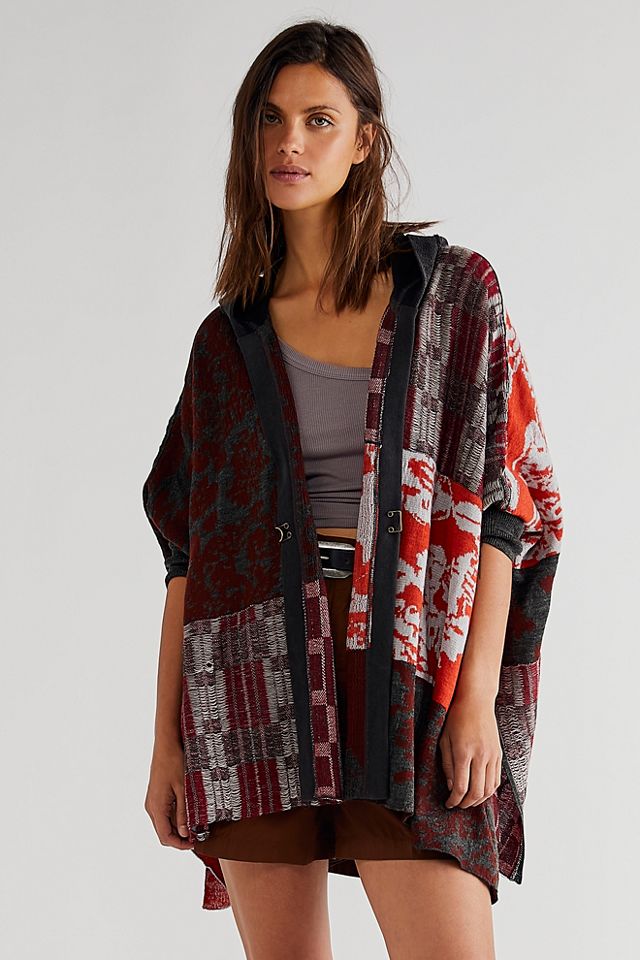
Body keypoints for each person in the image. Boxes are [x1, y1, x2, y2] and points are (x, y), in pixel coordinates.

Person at [142, 19, 563, 960]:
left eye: (319, 120)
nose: (290, 142)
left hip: (407, 664)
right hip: (249, 676)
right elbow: (186, 555)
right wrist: (168, 743)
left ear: (365, 138)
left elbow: (505, 507)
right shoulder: (227, 341)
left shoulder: (453, 295)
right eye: (270, 119)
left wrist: (475, 698)